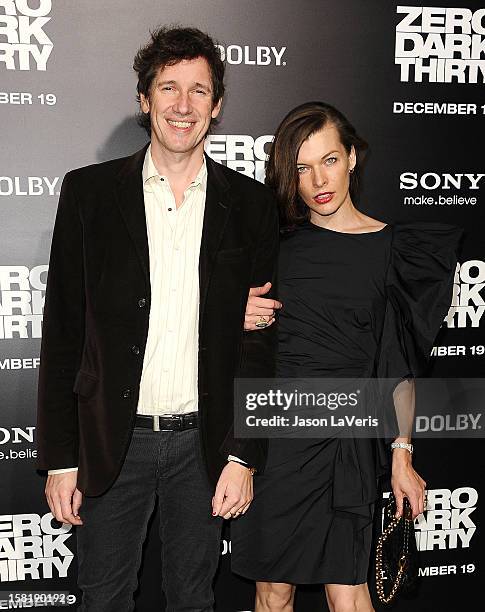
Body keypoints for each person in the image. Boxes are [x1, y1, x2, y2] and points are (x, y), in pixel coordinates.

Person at [36, 26, 278, 611]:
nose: (182, 104)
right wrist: (61, 458)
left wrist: (244, 454)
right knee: (104, 598)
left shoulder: (250, 204)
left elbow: (261, 343)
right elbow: (65, 330)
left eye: (199, 91)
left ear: (217, 106)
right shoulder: (89, 194)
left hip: (204, 441)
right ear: (145, 99)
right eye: (169, 87)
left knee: (194, 599)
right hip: (112, 441)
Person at [232, 101, 461, 612]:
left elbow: (397, 363)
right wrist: (234, 312)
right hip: (277, 440)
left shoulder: (392, 250)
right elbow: (231, 336)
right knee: (272, 592)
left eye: (330, 160)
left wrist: (403, 454)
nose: (319, 180)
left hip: (347, 446)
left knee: (349, 591)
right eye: (303, 167)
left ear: (353, 157)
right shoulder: (273, 244)